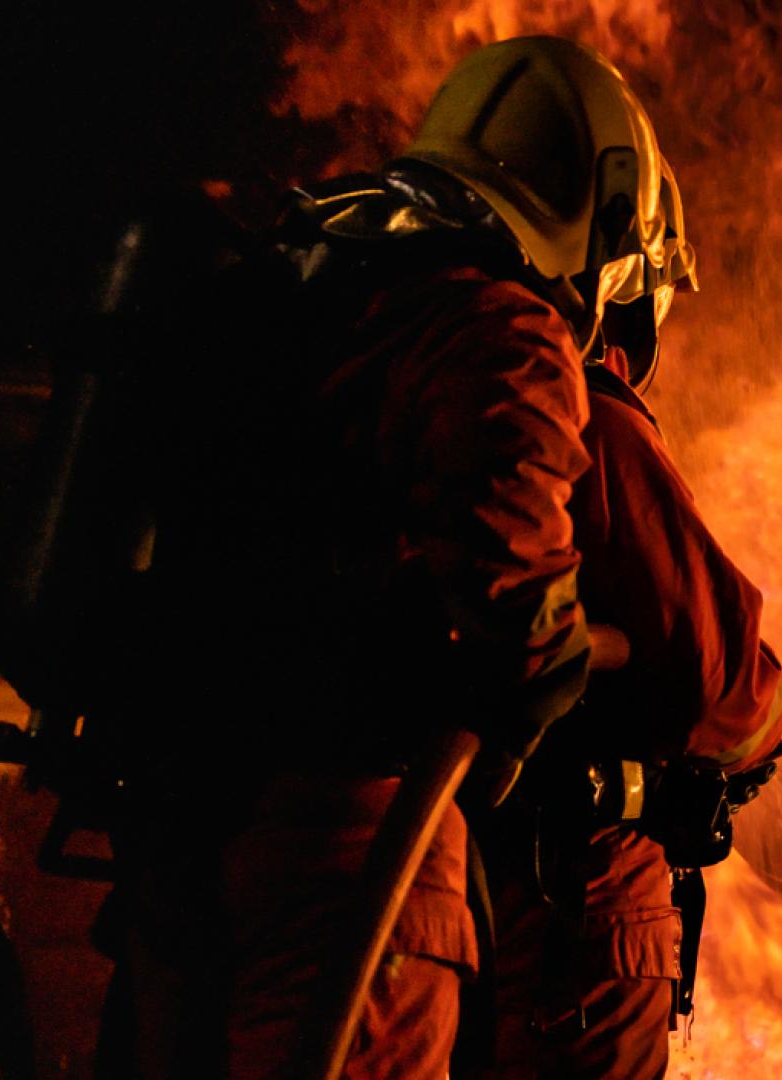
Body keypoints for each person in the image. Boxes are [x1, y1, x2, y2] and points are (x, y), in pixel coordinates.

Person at [95, 35, 679, 1079]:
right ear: (601, 201)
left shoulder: (304, 294)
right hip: (351, 858)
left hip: (179, 835)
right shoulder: (498, 327)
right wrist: (549, 674)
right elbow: (516, 598)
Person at [457, 161, 782, 1077]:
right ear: (615, 279)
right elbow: (723, 692)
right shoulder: (578, 414)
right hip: (564, 907)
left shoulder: (393, 375)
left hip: (418, 896)